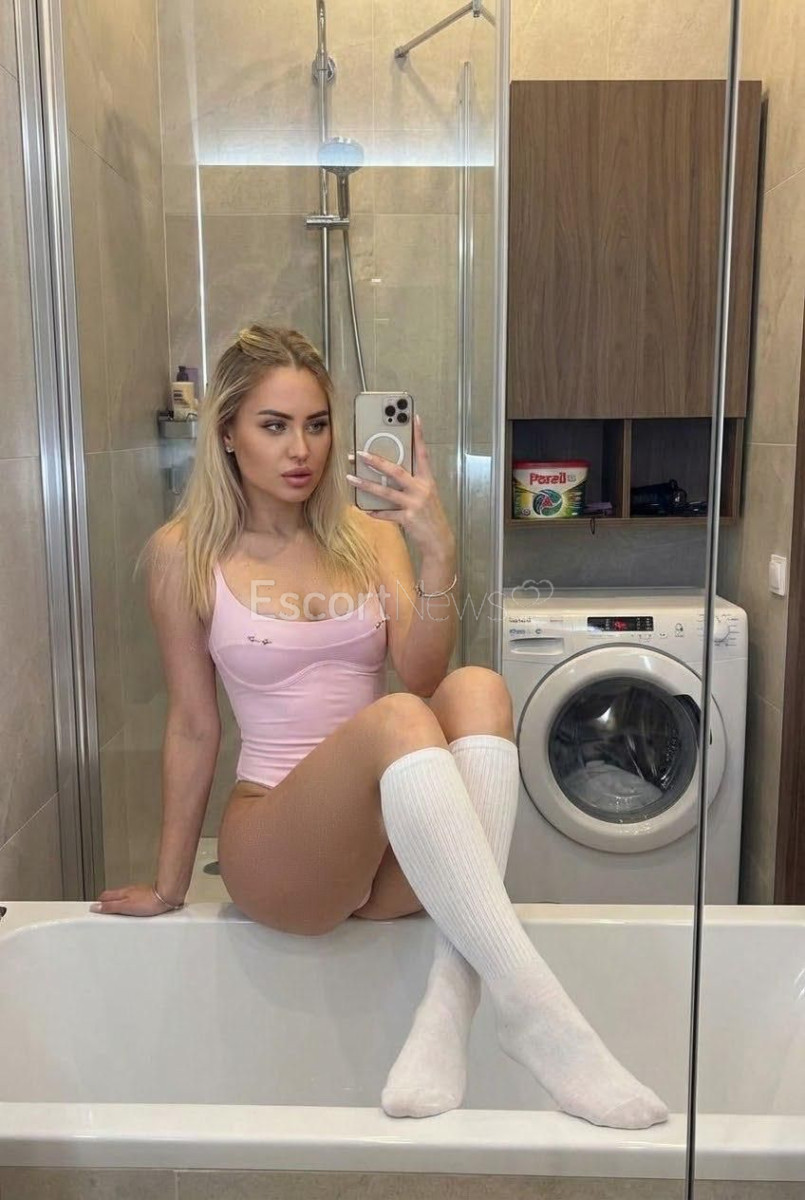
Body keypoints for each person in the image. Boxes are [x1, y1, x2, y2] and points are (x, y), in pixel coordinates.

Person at [90, 324, 668, 1130]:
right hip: (280, 849)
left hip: (389, 852)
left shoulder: (368, 536)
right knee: (396, 716)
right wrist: (168, 884)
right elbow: (192, 725)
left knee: (475, 687)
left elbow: (424, 674)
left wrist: (437, 556)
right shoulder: (183, 553)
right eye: (274, 425)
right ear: (225, 431)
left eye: (317, 424)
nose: (301, 450)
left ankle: (449, 1003)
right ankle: (539, 1014)